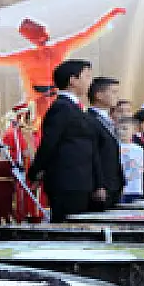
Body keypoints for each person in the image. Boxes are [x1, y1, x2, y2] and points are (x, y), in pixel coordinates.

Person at [27, 59, 104, 222]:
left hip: (83, 181)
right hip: (68, 182)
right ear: (72, 80)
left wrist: (98, 182)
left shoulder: (76, 108)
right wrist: (35, 172)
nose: (90, 81)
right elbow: (49, 143)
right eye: (87, 76)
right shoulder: (61, 107)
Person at [86, 76, 126, 208]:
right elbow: (93, 154)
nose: (117, 97)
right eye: (113, 92)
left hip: (114, 183)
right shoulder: (89, 119)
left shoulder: (108, 120)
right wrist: (99, 185)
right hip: (102, 185)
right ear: (99, 95)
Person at [118, 119, 144, 203]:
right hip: (121, 189)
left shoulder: (139, 149)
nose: (121, 131)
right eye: (118, 129)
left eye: (125, 129)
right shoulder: (115, 146)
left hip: (135, 188)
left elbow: (140, 168)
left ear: (134, 130)